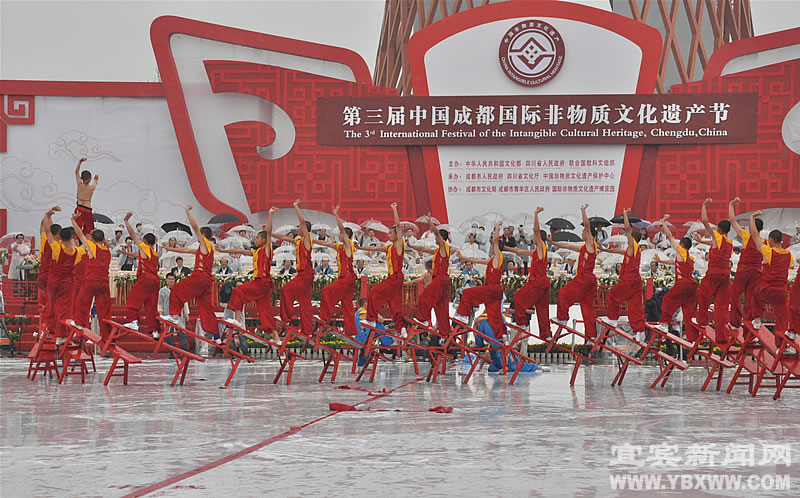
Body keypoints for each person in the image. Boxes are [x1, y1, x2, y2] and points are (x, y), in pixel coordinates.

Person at [162, 205, 220, 343]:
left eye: (199, 234)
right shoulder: (205, 249)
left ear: (203, 235)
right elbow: (187, 250)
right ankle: (216, 336)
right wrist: (169, 248)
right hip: (206, 283)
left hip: (200, 278)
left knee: (176, 290)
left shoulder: (205, 243)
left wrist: (187, 212)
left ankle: (175, 317)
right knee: (207, 309)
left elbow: (194, 227)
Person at [218, 207, 278, 339]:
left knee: (238, 291)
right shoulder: (256, 252)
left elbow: (269, 232)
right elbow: (240, 250)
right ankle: (277, 339)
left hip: (262, 282)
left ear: (263, 240)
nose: (255, 240)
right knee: (265, 310)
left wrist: (270, 214)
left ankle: (238, 322)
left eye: (257, 238)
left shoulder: (267, 250)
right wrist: (222, 252)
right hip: (262, 285)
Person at [358, 202, 408, 338]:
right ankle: (402, 328)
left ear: (396, 235)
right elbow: (374, 248)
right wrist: (361, 249)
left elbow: (398, 226)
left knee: (374, 292)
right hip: (394, 278)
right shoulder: (389, 247)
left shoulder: (398, 245)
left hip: (395, 277)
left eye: (390, 233)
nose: (389, 235)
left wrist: (394, 209)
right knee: (395, 306)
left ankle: (371, 319)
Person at [551, 204, 598, 338]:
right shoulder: (586, 247)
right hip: (589, 281)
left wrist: (583, 211)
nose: (582, 233)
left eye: (583, 232)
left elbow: (587, 227)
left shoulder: (590, 243)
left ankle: (563, 318)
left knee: (563, 294)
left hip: (584, 278)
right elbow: (568, 246)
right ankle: (591, 337)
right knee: (587, 310)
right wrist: (554, 243)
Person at [454, 221, 507, 340]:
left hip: (491, 288)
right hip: (496, 291)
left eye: (493, 247)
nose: (492, 248)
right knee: (495, 316)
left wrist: (497, 227)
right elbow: (478, 260)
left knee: (467, 293)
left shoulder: (498, 256)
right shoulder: (493, 260)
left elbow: (496, 241)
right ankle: (503, 337)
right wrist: (464, 258)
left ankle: (463, 316)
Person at [599, 209, 646, 340]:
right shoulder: (632, 250)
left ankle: (613, 319)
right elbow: (618, 250)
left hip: (630, 279)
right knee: (634, 308)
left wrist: (625, 214)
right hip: (636, 281)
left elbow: (627, 228)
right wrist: (604, 249)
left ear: (632, 238)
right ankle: (639, 331)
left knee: (613, 296)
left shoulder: (632, 245)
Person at [505, 207, 551, 342]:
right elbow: (519, 250)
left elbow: (536, 230)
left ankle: (522, 324)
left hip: (537, 283)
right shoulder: (537, 251)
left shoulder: (541, 246)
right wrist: (505, 248)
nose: (533, 238)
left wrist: (535, 214)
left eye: (535, 237)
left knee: (518, 299)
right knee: (542, 311)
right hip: (543, 283)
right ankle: (546, 335)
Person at [748, 219, 794, 351]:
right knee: (782, 318)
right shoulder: (789, 255)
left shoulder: (769, 252)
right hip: (781, 292)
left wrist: (752, 218)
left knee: (754, 296)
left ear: (772, 240)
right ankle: (783, 346)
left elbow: (755, 235)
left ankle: (756, 321)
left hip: (766, 290)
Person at [272, 200, 315, 339]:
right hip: (304, 274)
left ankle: (286, 317)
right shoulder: (298, 241)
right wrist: (270, 233)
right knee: (305, 302)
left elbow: (302, 221)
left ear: (304, 229)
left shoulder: (307, 239)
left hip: (306, 274)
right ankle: (307, 330)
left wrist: (296, 206)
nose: (297, 229)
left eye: (299, 227)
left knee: (286, 290)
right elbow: (283, 237)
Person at [692, 198, 733, 343]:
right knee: (721, 307)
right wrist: (701, 241)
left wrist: (703, 206)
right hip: (725, 276)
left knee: (703, 295)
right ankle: (722, 337)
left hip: (714, 273)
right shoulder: (729, 243)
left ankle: (702, 320)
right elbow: (713, 243)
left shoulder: (718, 236)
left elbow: (704, 221)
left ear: (719, 230)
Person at [652, 215, 699, 339]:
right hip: (693, 287)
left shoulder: (680, 250)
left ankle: (665, 325)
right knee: (689, 313)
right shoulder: (690, 258)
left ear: (682, 244)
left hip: (683, 283)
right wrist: (661, 261)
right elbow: (675, 262)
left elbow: (670, 236)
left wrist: (663, 222)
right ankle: (693, 339)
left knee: (667, 301)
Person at [313, 205, 358, 336]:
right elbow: (325, 244)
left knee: (327, 291)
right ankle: (352, 331)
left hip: (347, 278)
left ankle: (324, 319)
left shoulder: (349, 245)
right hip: (345, 279)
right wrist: (309, 239)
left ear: (346, 236)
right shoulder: (340, 247)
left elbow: (342, 229)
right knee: (347, 305)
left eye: (341, 234)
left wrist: (336, 214)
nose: (339, 236)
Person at [408, 213, 452, 342]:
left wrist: (430, 222)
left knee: (425, 297)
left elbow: (437, 233)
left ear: (441, 238)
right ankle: (445, 333)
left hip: (441, 278)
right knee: (441, 307)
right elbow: (423, 248)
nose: (434, 239)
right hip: (444, 280)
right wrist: (411, 247)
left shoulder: (444, 246)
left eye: (436, 237)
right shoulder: (439, 250)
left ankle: (423, 319)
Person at [70, 213, 112, 341]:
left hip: (92, 281)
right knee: (105, 312)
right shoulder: (107, 251)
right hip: (104, 283)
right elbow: (106, 244)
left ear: (92, 239)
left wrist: (73, 220)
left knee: (81, 303)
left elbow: (79, 233)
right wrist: (98, 236)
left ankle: (79, 323)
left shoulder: (91, 247)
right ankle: (107, 336)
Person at [121, 212, 160, 338]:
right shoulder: (154, 253)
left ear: (145, 241)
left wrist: (126, 221)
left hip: (146, 278)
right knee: (151, 306)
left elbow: (132, 234)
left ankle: (133, 320)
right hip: (155, 281)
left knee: (134, 299)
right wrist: (126, 253)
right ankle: (154, 330)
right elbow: (139, 255)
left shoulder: (144, 247)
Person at [728, 197, 764, 330]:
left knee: (736, 295)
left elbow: (732, 220)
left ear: (751, 227)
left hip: (743, 271)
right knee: (751, 298)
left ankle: (735, 323)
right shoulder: (764, 242)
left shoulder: (746, 236)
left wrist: (731, 205)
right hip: (756, 273)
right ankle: (752, 324)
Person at [47, 222, 86, 344]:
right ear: (72, 238)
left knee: (52, 306)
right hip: (65, 284)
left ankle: (50, 329)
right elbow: (84, 243)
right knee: (63, 310)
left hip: (52, 282)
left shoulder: (57, 248)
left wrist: (47, 216)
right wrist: (75, 222)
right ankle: (61, 336)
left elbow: (48, 232)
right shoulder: (76, 251)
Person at [37, 207, 62, 333]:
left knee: (45, 303)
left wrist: (48, 216)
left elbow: (45, 228)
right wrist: (48, 215)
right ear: (59, 234)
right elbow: (49, 229)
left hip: (42, 276)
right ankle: (51, 327)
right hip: (51, 277)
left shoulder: (45, 240)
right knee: (52, 303)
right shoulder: (59, 244)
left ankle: (44, 325)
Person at [158, 272, 189, 355]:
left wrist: (187, 314)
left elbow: (185, 302)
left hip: (179, 315)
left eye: (172, 279)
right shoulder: (162, 291)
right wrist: (161, 314)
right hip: (167, 315)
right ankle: (172, 353)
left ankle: (185, 352)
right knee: (169, 334)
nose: (171, 281)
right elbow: (160, 303)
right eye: (169, 279)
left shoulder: (179, 289)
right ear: (166, 280)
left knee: (181, 333)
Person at [73, 157, 97, 235]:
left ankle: (77, 242)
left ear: (82, 178)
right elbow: (95, 184)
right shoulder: (91, 187)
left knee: (77, 228)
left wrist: (80, 162)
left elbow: (76, 172)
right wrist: (96, 180)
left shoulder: (80, 184)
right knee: (89, 230)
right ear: (90, 179)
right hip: (87, 209)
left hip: (79, 208)